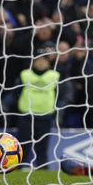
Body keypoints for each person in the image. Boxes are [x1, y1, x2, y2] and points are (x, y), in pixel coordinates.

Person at [16, 41, 60, 169]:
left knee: (42, 148)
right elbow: (16, 92)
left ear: (48, 62)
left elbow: (60, 94)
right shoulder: (25, 74)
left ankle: (43, 168)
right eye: (38, 59)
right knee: (23, 146)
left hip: (45, 116)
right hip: (26, 115)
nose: (41, 62)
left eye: (44, 60)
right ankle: (18, 169)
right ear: (33, 61)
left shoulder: (55, 75)